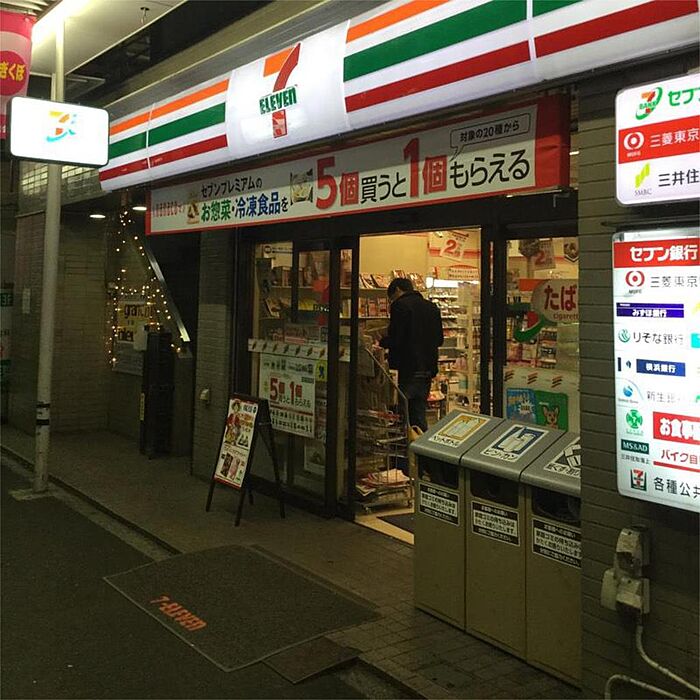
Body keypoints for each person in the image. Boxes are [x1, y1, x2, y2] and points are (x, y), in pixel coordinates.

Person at [379, 278, 443, 432]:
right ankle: (419, 444)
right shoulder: (432, 307)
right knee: (419, 414)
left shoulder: (400, 306)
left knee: (401, 416)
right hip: (427, 369)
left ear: (397, 290)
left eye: (392, 298)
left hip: (406, 369)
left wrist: (382, 341)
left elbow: (397, 339)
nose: (392, 301)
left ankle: (406, 447)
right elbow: (439, 339)